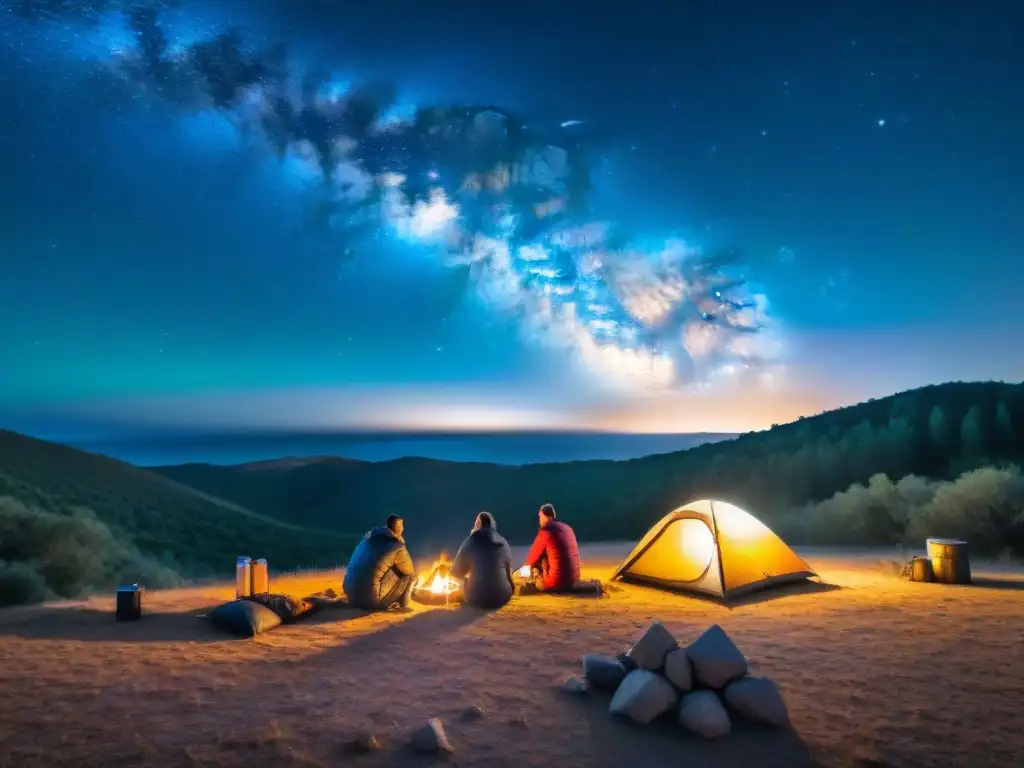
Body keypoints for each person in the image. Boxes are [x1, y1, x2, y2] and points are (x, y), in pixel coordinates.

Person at [342, 514, 417, 611]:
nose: (403, 528)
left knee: (385, 566)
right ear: (398, 527)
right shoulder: (397, 546)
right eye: (402, 525)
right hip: (371, 602)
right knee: (411, 576)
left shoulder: (367, 539)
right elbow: (409, 571)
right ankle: (404, 605)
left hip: (351, 596)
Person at [451, 511, 515, 610]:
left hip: (476, 598)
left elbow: (456, 572)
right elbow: (508, 573)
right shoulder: (503, 541)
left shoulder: (471, 540)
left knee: (463, 579)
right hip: (503, 597)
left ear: (477, 525)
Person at [522, 502, 581, 592]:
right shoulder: (567, 528)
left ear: (546, 517)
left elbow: (530, 559)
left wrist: (524, 571)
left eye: (540, 516)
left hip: (555, 583)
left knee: (534, 563)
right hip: (573, 579)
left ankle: (535, 581)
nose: (539, 520)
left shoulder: (546, 532)